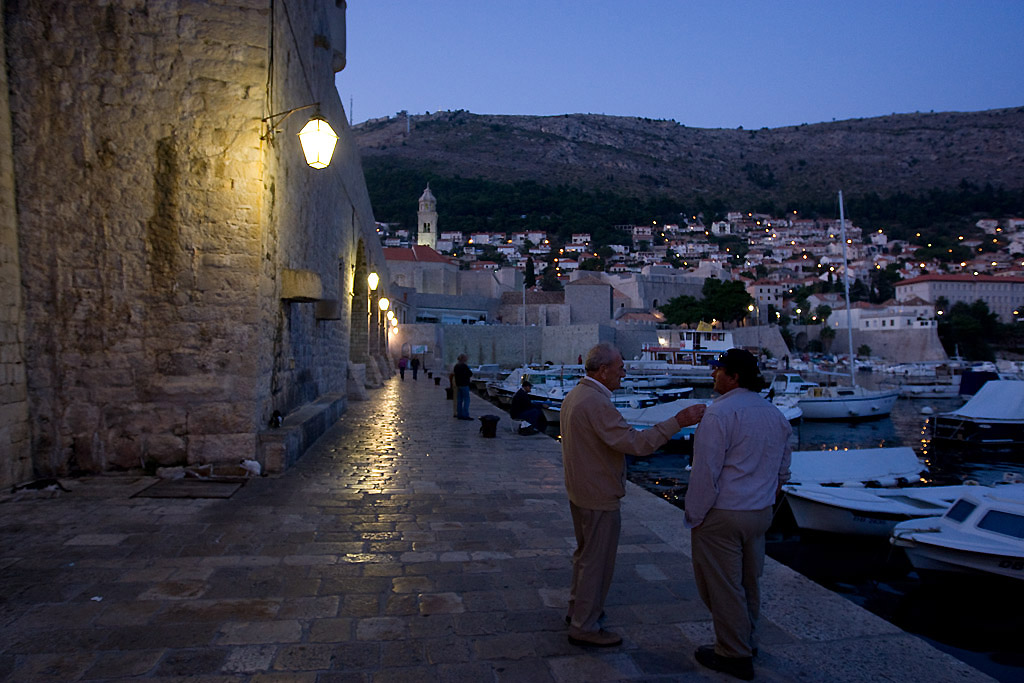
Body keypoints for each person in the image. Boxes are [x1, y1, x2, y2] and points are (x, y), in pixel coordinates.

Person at [560, 342, 705, 648]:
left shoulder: (576, 395)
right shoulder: (596, 403)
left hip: (581, 491)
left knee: (586, 557)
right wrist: (677, 422)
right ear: (603, 370)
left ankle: (577, 609)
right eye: (621, 368)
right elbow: (636, 444)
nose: (624, 374)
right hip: (598, 495)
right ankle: (585, 626)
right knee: (598, 563)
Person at [685, 348, 791, 681]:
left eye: (718, 370)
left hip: (725, 514)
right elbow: (783, 467)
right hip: (759, 512)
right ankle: (748, 639)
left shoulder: (719, 414)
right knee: (749, 581)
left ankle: (733, 653)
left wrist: (695, 515)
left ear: (733, 377)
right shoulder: (774, 413)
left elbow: (706, 472)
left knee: (722, 586)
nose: (713, 375)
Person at [452, 354, 473, 420]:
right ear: (463, 359)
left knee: (459, 400)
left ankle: (459, 414)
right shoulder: (464, 366)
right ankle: (465, 415)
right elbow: (470, 374)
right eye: (465, 358)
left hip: (458, 384)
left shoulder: (456, 366)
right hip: (464, 384)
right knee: (467, 400)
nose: (467, 359)